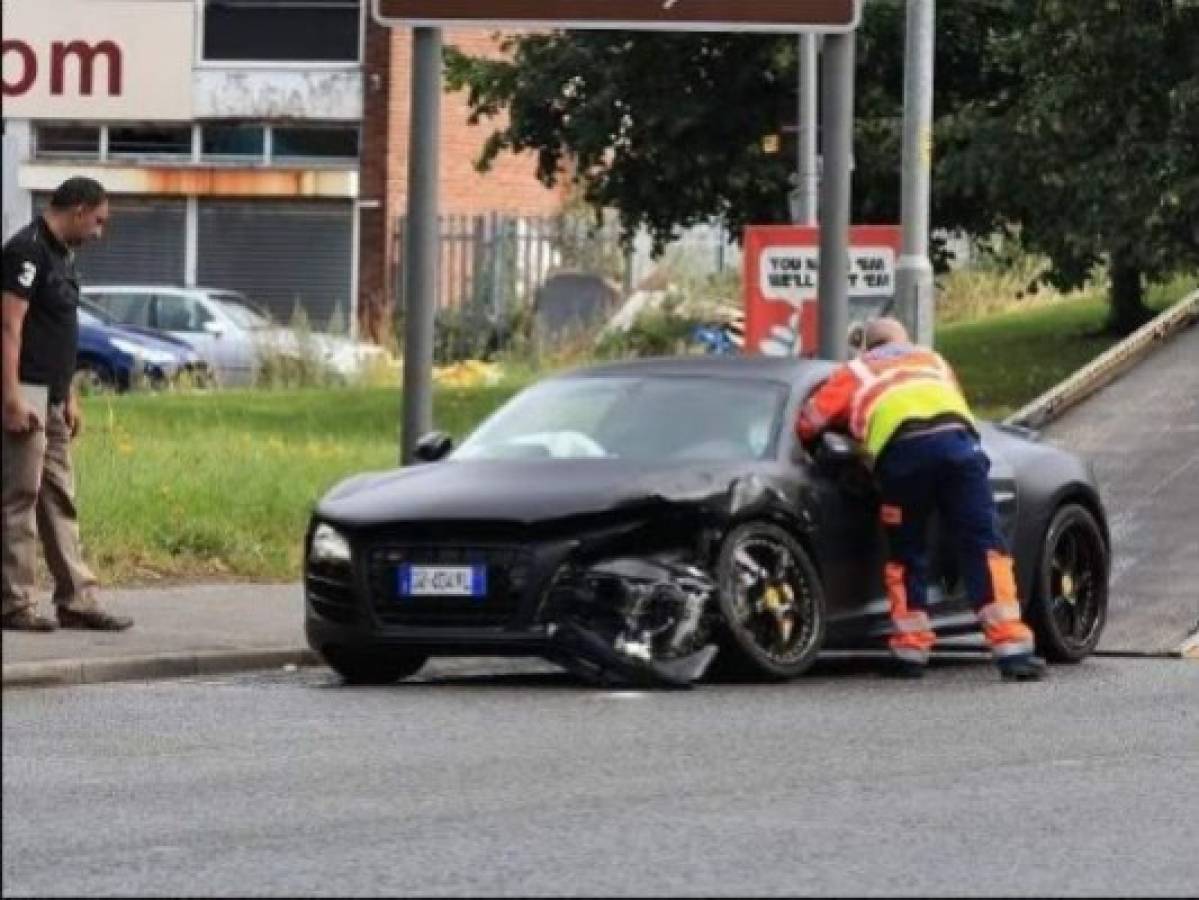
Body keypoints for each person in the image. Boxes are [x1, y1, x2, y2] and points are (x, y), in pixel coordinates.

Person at [797, 317, 1045, 681]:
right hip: (960, 450)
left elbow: (810, 421)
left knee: (906, 551)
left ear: (866, 346)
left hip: (904, 457)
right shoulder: (933, 360)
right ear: (903, 340)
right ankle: (1012, 650)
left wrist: (843, 440)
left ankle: (911, 651)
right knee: (984, 545)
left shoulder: (858, 370)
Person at [1, 177, 132, 632]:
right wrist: (12, 397)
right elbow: (8, 327)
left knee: (60, 496)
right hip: (26, 390)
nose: (100, 231)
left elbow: (61, 328)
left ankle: (76, 599)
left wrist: (70, 394)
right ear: (78, 209)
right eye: (98, 220)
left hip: (54, 396)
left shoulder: (62, 256)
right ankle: (13, 603)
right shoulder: (26, 251)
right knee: (20, 497)